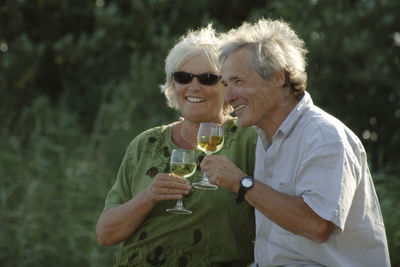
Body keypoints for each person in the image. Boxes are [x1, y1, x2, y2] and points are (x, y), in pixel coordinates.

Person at [201, 18, 391, 266]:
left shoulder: (324, 137)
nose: (229, 97)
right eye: (226, 84)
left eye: (238, 82)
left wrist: (242, 183)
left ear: (278, 78)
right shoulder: (265, 136)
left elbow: (316, 225)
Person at [96, 25, 258, 266]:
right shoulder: (146, 144)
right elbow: (106, 234)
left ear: (227, 86)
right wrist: (149, 197)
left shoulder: (248, 138)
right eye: (183, 77)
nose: (194, 87)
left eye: (208, 78)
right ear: (173, 85)